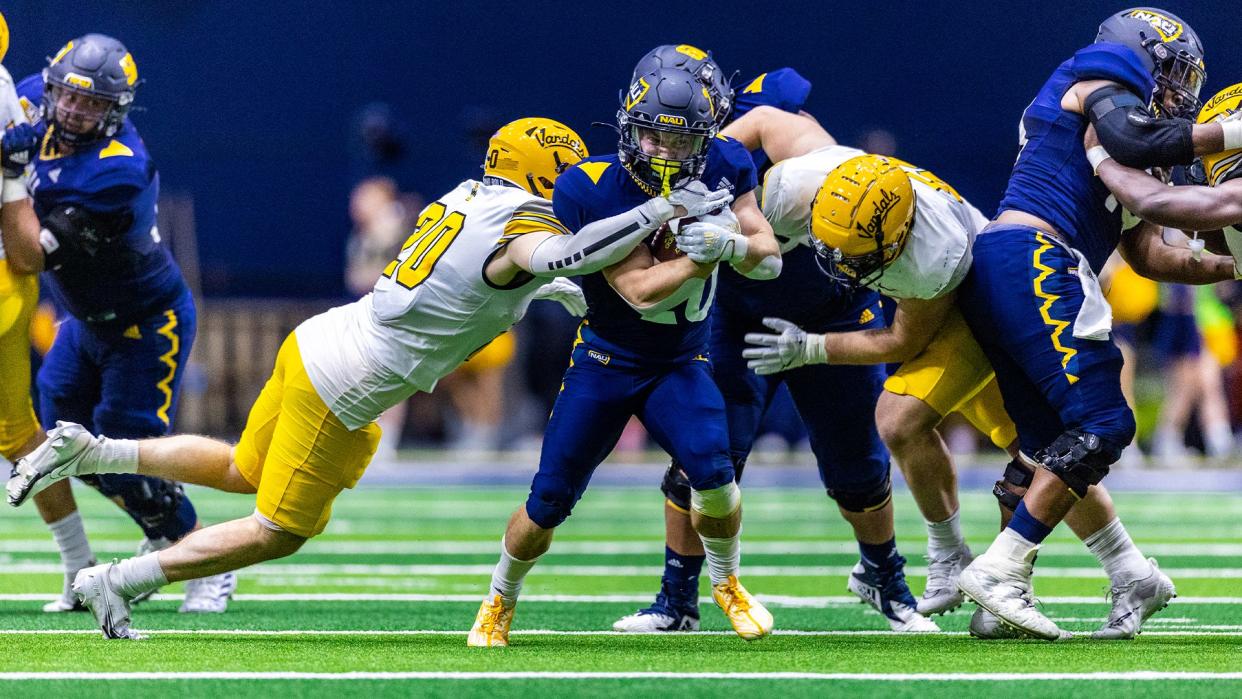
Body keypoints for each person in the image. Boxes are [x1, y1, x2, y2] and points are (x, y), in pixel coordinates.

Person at [8, 116, 730, 640]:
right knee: (279, 529)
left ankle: (90, 448)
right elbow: (562, 257)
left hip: (322, 338)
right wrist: (660, 209)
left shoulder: (466, 196)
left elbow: (519, 280)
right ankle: (118, 581)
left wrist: (572, 287)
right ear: (546, 173)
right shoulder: (520, 224)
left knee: (240, 467)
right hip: (345, 383)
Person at [613, 45, 936, 635]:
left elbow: (767, 121)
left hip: (834, 313)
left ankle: (884, 577)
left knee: (858, 464)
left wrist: (711, 162)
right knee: (704, 459)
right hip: (737, 320)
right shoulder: (669, 175)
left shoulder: (791, 146)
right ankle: (676, 597)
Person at [948, 8, 1238, 640]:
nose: (1183, 93)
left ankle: (1101, 579)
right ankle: (1000, 570)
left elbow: (1149, 254)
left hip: (1011, 265)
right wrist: (1228, 134)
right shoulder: (1100, 74)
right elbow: (1134, 141)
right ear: (1143, 54)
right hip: (1036, 255)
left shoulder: (1130, 136)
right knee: (1106, 421)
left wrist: (1225, 265)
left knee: (1044, 446)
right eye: (1178, 74)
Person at [468, 67, 782, 647]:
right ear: (629, 129)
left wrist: (732, 241)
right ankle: (498, 598)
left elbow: (768, 257)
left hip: (680, 363)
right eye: (654, 136)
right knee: (549, 503)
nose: (665, 150)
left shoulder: (727, 164)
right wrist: (705, 257)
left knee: (716, 479)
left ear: (706, 136)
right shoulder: (591, 187)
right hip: (607, 361)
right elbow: (638, 291)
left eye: (682, 138)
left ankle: (727, 582)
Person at [1, 33, 235, 614]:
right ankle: (163, 538)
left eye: (93, 103)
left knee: (127, 451)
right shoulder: (33, 98)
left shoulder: (117, 171)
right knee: (60, 441)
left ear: (117, 109)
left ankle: (200, 554)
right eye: (68, 96)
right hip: (82, 322)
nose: (74, 110)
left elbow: (28, 255)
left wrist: (10, 173)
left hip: (145, 323)